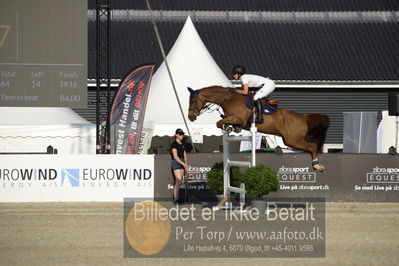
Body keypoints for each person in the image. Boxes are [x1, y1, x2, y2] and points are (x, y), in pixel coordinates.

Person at [170, 128, 188, 204]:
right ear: (176, 135)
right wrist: (183, 163)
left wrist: (186, 162)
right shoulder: (174, 144)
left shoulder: (182, 143)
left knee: (180, 181)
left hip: (182, 162)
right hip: (177, 162)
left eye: (182, 134)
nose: (182, 136)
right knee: (178, 180)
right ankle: (176, 199)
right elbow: (175, 156)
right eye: (180, 134)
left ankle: (177, 198)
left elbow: (184, 154)